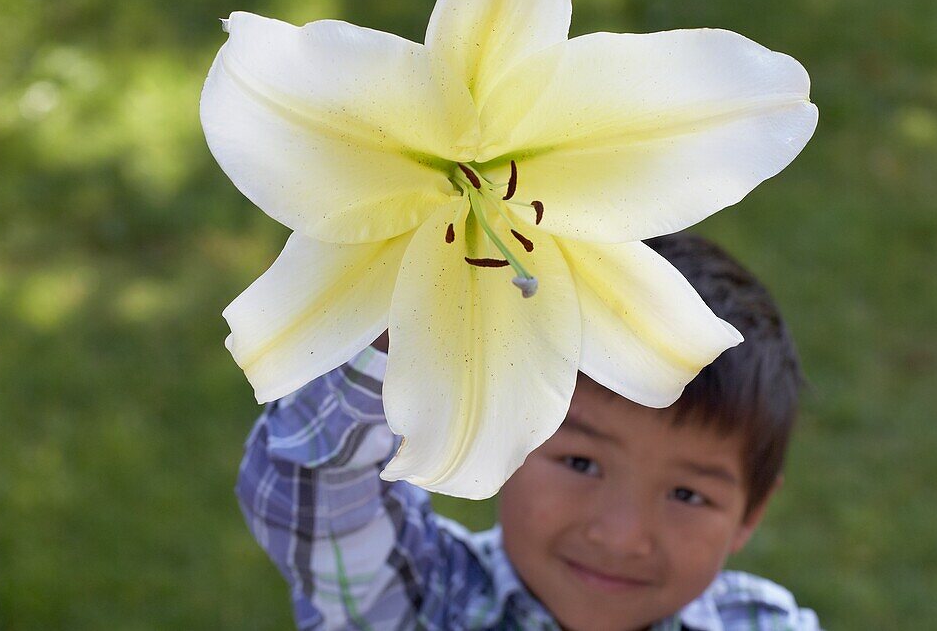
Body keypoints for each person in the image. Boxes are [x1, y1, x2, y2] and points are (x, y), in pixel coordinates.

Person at [235, 234, 822, 630]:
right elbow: (310, 486)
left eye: (688, 495)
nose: (621, 537)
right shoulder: (418, 598)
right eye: (580, 464)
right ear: (505, 429)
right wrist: (399, 334)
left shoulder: (763, 623)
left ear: (752, 512)